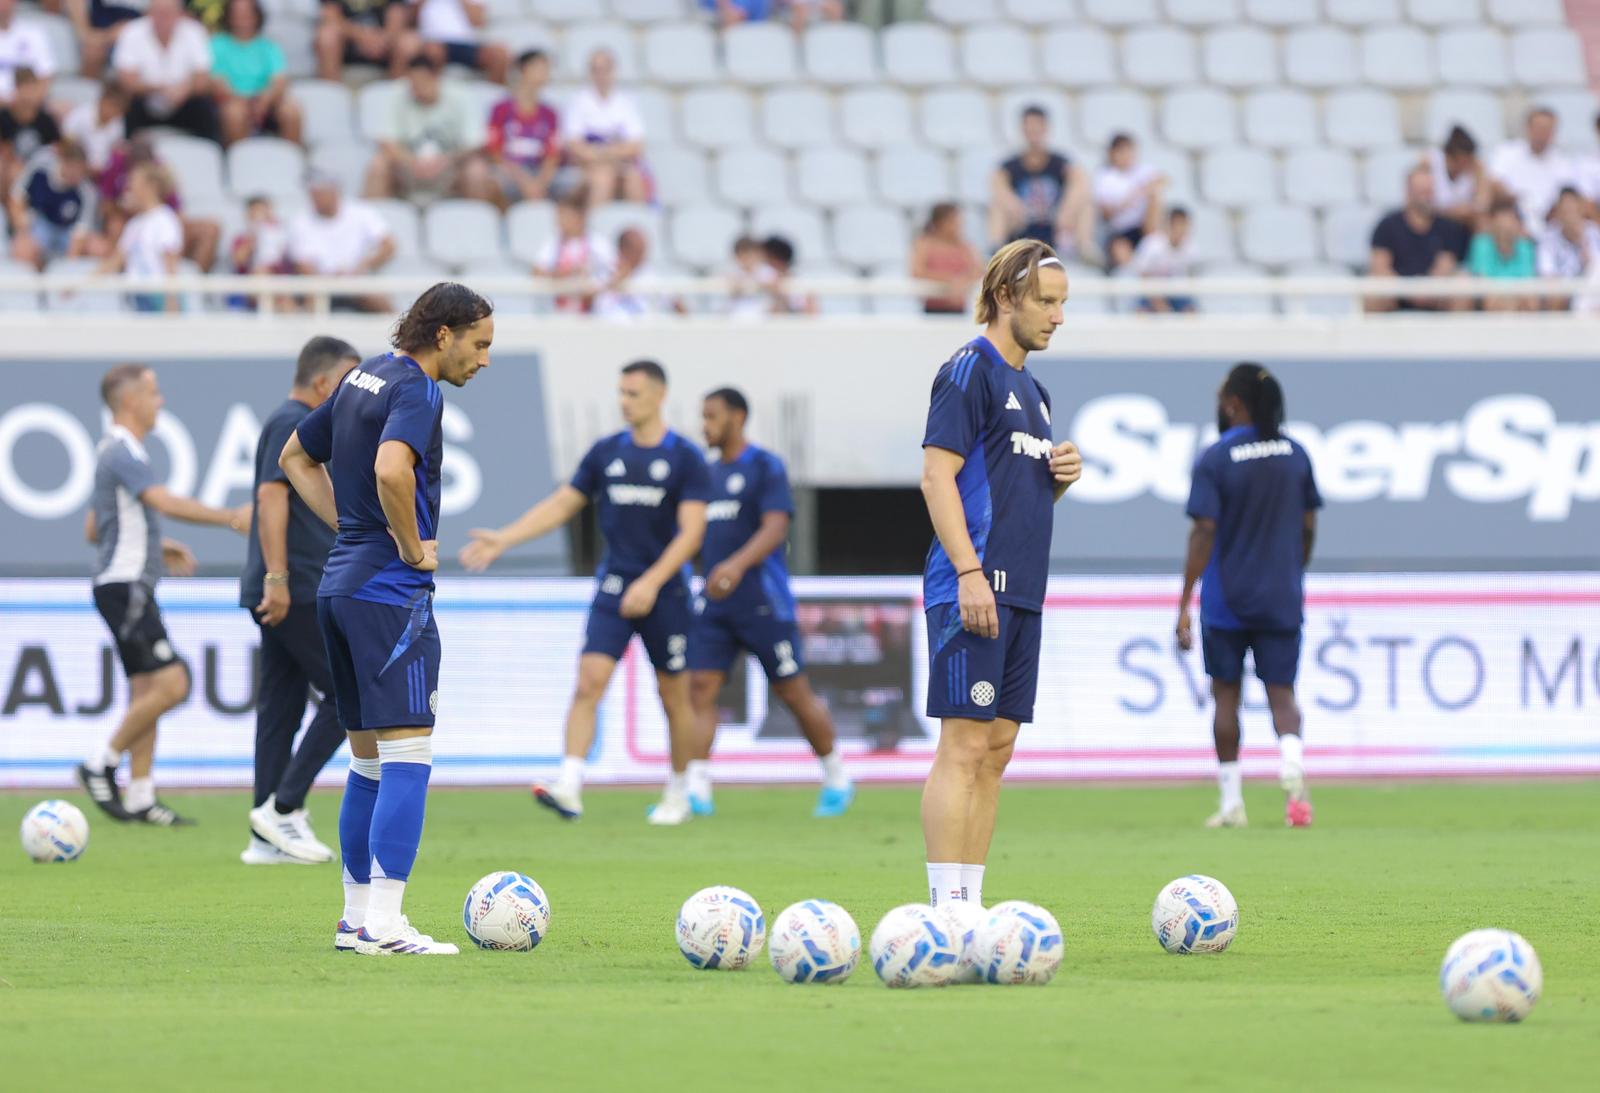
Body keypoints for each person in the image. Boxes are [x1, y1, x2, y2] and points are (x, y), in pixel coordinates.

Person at [278, 282, 494, 955]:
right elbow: (392, 468)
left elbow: (295, 456)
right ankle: (388, 922)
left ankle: (355, 919)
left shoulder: (359, 375)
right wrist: (406, 543)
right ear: (443, 335)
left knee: (367, 762)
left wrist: (351, 527)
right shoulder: (416, 388)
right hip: (388, 594)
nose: (483, 360)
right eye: (479, 344)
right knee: (409, 757)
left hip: (339, 588)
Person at [459, 360, 710, 826]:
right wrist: (505, 538)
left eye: (633, 393)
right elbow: (562, 504)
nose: (624, 401)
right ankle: (570, 786)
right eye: (621, 392)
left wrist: (652, 582)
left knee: (674, 696)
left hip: (666, 594)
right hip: (614, 588)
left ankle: (678, 792)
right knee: (589, 683)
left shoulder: (686, 459)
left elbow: (691, 534)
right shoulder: (606, 453)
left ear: (658, 396)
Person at [918, 240, 1081, 907]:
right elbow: (937, 475)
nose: (1058, 316)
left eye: (1064, 303)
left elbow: (1018, 495)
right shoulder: (968, 370)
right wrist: (969, 572)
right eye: (1046, 301)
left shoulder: (1035, 392)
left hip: (1024, 590)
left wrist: (1059, 480)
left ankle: (971, 903)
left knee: (998, 748)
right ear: (1007, 296)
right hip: (974, 586)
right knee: (962, 745)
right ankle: (942, 908)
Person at [77, 364, 250, 827]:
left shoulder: (112, 451)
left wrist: (157, 543)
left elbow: (95, 526)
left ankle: (140, 795)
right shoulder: (122, 451)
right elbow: (164, 501)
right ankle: (101, 763)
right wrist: (231, 517)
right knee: (174, 684)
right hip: (125, 584)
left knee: (148, 689)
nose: (162, 401)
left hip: (125, 583)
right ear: (131, 401)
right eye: (154, 393)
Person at [687, 387, 853, 818]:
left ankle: (836, 776)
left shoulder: (764, 466)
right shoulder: (704, 476)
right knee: (701, 689)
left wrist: (735, 567)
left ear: (737, 418)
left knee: (792, 691)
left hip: (762, 601)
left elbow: (776, 526)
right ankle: (695, 788)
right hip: (715, 603)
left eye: (712, 417)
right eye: (703, 417)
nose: (705, 426)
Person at [1176, 364, 1322, 830]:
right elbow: (1308, 525)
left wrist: (1183, 601)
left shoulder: (1216, 457)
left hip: (1227, 598)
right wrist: (1292, 570)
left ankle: (1231, 802)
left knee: (1226, 698)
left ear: (1234, 404)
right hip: (1281, 593)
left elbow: (1203, 530)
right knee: (1282, 693)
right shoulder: (1296, 454)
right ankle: (1294, 775)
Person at [240, 337, 361, 865]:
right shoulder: (292, 420)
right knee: (349, 692)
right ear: (321, 384)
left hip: (289, 584)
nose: (354, 395)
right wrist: (279, 576)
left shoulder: (289, 420)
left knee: (281, 708)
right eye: (348, 382)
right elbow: (271, 495)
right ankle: (283, 810)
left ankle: (266, 833)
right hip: (298, 586)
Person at [364, 55, 479, 201]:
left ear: (436, 78)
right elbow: (386, 142)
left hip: (449, 167)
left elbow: (474, 143)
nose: (417, 88)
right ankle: (370, 220)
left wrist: (446, 161)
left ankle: (478, 221)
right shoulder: (396, 94)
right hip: (407, 167)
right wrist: (411, 161)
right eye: (413, 83)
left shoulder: (461, 96)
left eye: (423, 81)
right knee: (378, 165)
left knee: (476, 171)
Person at [287, 170, 396, 313]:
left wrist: (363, 266)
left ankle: (398, 333)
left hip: (357, 280)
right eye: (313, 194)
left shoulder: (361, 212)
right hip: (320, 284)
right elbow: (303, 264)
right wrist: (328, 279)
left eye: (320, 193)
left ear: (334, 191)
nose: (316, 198)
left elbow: (388, 245)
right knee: (311, 299)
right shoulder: (300, 221)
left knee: (379, 300)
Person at [989, 104, 1090, 258]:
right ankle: (996, 252)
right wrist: (1013, 205)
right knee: (997, 205)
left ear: (1045, 129)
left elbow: (1080, 181)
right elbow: (998, 184)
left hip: (1055, 226)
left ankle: (1084, 248)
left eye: (1037, 127)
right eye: (1030, 128)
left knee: (1086, 204)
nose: (1033, 132)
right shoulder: (1011, 165)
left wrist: (1067, 209)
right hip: (1022, 224)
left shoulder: (1060, 162)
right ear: (1023, 130)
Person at [1365, 165, 1469, 312]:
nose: (1427, 197)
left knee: (1462, 284)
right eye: (1422, 192)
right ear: (1408, 192)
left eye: (1430, 192)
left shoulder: (1447, 228)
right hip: (1396, 296)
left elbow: (1445, 266)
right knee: (1374, 287)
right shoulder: (1387, 226)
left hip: (1436, 296)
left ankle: (1458, 334)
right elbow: (1380, 266)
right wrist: (1408, 291)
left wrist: (1426, 291)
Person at [113, 0, 220, 142]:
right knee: (125, 102)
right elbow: (126, 80)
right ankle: (124, 153)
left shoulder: (194, 31)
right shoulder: (132, 32)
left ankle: (210, 152)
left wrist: (184, 90)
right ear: (149, 13)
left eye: (167, 13)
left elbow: (203, 78)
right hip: (144, 100)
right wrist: (158, 89)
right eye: (158, 12)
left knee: (205, 107)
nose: (162, 18)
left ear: (179, 14)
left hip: (185, 101)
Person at [471, 48, 560, 209]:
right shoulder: (500, 109)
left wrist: (539, 183)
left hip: (538, 172)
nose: (546, 73)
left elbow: (552, 154)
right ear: (523, 70)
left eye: (547, 69)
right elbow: (495, 151)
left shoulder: (550, 113)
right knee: (485, 180)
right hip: (509, 172)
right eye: (540, 67)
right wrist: (523, 180)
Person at [562, 48, 648, 209]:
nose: (601, 75)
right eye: (596, 69)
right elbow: (575, 146)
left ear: (613, 71)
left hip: (618, 165)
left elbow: (636, 145)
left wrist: (603, 154)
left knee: (634, 180)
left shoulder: (626, 103)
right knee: (603, 178)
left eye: (605, 69)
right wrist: (609, 155)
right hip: (587, 167)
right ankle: (595, 230)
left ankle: (637, 227)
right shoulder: (578, 102)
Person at [210, 0, 302, 146]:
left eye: (247, 13)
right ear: (229, 16)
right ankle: (239, 161)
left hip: (265, 102)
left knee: (291, 111)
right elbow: (217, 81)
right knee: (234, 113)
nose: (242, 18)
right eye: (237, 14)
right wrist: (242, 101)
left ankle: (294, 160)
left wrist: (264, 101)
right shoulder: (217, 44)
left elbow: (279, 81)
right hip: (233, 100)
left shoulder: (269, 46)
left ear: (257, 15)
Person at [99, 160, 184, 312]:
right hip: (136, 297)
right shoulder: (134, 224)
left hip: (157, 296)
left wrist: (171, 301)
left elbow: (170, 262)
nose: (129, 187)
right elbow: (115, 261)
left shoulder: (165, 219)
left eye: (134, 181)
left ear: (150, 186)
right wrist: (81, 283)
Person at [8, 139, 99, 269]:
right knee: (23, 249)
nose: (76, 175)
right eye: (73, 169)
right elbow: (16, 197)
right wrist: (22, 231)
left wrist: (69, 266)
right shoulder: (40, 168)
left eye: (80, 171)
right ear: (64, 162)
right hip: (39, 224)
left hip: (67, 232)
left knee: (98, 248)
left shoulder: (87, 192)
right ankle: (37, 284)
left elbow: (80, 232)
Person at [1489, 106, 1574, 234]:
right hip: (1513, 219)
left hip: (1552, 223)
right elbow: (1494, 186)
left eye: (1547, 129)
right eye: (1539, 128)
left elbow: (1567, 198)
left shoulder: (1564, 163)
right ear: (1527, 127)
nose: (1542, 133)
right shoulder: (1505, 153)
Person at [532, 187, 613, 313]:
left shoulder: (598, 244)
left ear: (579, 217)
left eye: (563, 216)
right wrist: (566, 274)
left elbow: (610, 275)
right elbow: (537, 272)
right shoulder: (553, 243)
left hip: (592, 315)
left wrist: (590, 283)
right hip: (558, 314)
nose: (558, 221)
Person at [1093, 132, 1166, 271]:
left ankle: (1153, 238)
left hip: (1143, 226)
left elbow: (1162, 180)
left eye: (1129, 150)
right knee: (1120, 247)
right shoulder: (1105, 178)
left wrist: (1143, 192)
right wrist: (1130, 199)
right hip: (1120, 230)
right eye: (1122, 151)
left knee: (1156, 196)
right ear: (1112, 154)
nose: (1127, 155)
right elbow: (1106, 214)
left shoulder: (1144, 170)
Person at [397, 0, 508, 84]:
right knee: (434, 51)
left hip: (468, 43)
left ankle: (494, 104)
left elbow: (478, 21)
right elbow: (411, 20)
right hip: (433, 41)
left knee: (500, 54)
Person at [910, 202, 983, 316]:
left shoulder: (965, 246)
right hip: (933, 309)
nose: (958, 226)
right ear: (940, 222)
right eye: (953, 221)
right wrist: (950, 280)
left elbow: (978, 270)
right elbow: (918, 272)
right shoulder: (925, 243)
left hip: (958, 309)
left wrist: (963, 281)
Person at [1466, 197, 1537, 312]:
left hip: (1518, 302)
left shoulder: (1525, 246)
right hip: (1493, 302)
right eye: (1501, 219)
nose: (1506, 225)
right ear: (1492, 222)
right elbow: (1483, 283)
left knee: (1530, 299)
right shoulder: (1481, 244)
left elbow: (1527, 283)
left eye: (1510, 219)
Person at [1536, 186, 1600, 310]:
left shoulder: (1593, 234)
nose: (1569, 216)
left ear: (1581, 210)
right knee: (1553, 296)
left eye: (1572, 210)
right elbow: (1547, 274)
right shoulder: (1548, 238)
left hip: (1589, 291)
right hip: (1562, 294)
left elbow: (1596, 270)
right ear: (1558, 212)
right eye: (1565, 210)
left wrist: (1582, 241)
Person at [314, 0, 408, 81]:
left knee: (408, 42)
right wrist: (363, 37)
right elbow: (331, 16)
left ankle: (395, 96)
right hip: (348, 41)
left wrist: (382, 41)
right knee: (327, 35)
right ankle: (332, 95)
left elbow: (396, 19)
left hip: (384, 45)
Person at [0, 68, 60, 193]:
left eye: (32, 88)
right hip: (14, 165)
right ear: (16, 88)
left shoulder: (46, 120)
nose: (29, 94)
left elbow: (56, 148)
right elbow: (4, 150)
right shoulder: (4, 116)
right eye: (25, 87)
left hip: (41, 167)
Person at [1130, 205, 1196, 313]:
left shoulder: (1190, 248)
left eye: (1184, 225)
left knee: (1191, 313)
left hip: (1176, 292)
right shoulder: (1152, 244)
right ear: (1169, 225)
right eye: (1178, 225)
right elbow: (1143, 276)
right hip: (1150, 292)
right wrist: (1158, 302)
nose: (1182, 229)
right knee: (1141, 313)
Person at [61, 78, 131, 178]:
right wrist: (82, 165)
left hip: (102, 176)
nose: (115, 112)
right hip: (75, 170)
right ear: (102, 101)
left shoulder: (118, 124)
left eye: (120, 109)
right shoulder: (79, 116)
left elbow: (114, 151)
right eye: (113, 106)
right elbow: (65, 143)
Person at [1427, 126, 1489, 229]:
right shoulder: (1430, 163)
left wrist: (1480, 176)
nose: (1466, 164)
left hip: (1463, 226)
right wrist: (1451, 211)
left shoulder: (1476, 168)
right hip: (1433, 224)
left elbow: (1483, 206)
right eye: (1463, 160)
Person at [0, 0, 56, 103]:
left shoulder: (33, 33)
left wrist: (28, 100)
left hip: (29, 103)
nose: (3, 4)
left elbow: (45, 75)